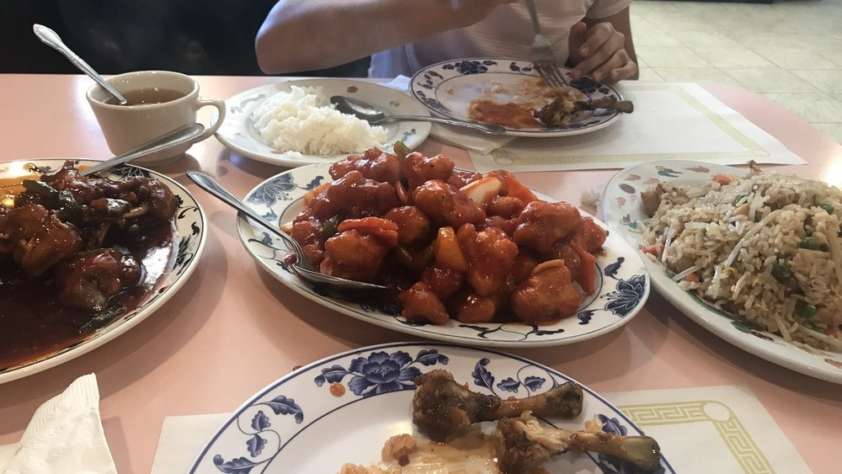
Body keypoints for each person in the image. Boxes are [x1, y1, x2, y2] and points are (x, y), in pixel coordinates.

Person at [255, 0, 638, 83]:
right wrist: (447, 9)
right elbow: (275, 46)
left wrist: (602, 57)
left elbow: (627, 71)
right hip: (411, 137)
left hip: (551, 145)